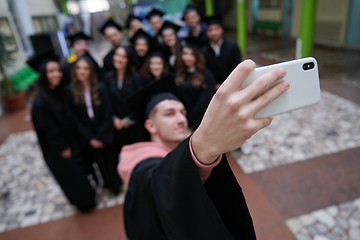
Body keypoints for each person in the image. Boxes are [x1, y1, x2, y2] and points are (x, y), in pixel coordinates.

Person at [118, 60, 290, 239]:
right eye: (169, 114)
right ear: (150, 125)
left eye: (182, 113)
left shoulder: (170, 154)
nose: (180, 120)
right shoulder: (140, 162)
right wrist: (203, 146)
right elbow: (156, 180)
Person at [29, 52, 96, 212]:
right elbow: (48, 129)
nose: (56, 74)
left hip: (71, 141)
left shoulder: (58, 92)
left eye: (58, 70)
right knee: (72, 174)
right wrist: (61, 147)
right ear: (44, 75)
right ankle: (83, 203)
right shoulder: (40, 102)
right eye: (51, 71)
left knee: (79, 171)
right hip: (59, 148)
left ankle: (87, 196)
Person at [68, 56, 122, 195]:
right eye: (79, 68)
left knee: (110, 159)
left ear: (91, 71)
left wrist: (101, 136)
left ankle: (115, 184)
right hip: (88, 131)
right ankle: (104, 183)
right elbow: (74, 118)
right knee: (98, 161)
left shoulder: (101, 87)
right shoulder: (71, 91)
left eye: (86, 68)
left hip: (103, 129)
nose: (82, 71)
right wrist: (90, 138)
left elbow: (107, 112)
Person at [105, 46, 145, 154]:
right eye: (117, 55)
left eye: (123, 56)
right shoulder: (107, 78)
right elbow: (107, 102)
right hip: (117, 128)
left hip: (135, 126)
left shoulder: (136, 78)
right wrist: (114, 119)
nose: (119, 59)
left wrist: (128, 120)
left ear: (128, 60)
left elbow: (140, 102)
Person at [175, 37, 216, 131]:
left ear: (197, 56)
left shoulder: (206, 75)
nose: (187, 58)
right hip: (181, 119)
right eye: (185, 53)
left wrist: (189, 121)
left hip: (199, 123)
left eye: (192, 54)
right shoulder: (179, 73)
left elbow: (204, 102)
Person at [202, 15, 242, 89]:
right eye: (210, 30)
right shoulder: (204, 50)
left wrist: (227, 83)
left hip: (232, 84)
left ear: (222, 30)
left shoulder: (233, 46)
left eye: (216, 29)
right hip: (213, 87)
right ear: (206, 33)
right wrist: (214, 84)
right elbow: (206, 70)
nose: (214, 33)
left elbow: (236, 65)